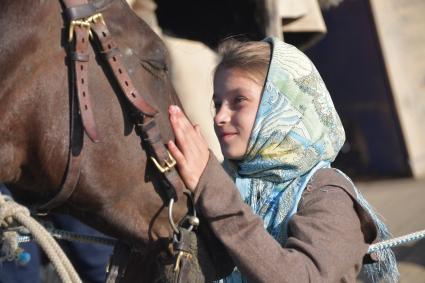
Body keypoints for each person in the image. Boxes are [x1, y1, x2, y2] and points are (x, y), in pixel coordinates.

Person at [167, 37, 398, 282]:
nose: (220, 117)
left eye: (238, 101)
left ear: (283, 105)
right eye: (217, 103)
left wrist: (211, 187)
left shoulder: (326, 192)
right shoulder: (221, 182)